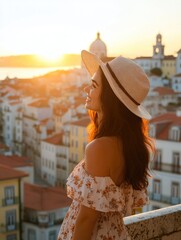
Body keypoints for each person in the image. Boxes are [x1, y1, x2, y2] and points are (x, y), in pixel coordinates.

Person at [57, 50, 154, 240]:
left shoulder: (100, 148)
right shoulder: (129, 145)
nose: (87, 90)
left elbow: (87, 219)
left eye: (93, 85)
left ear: (110, 97)